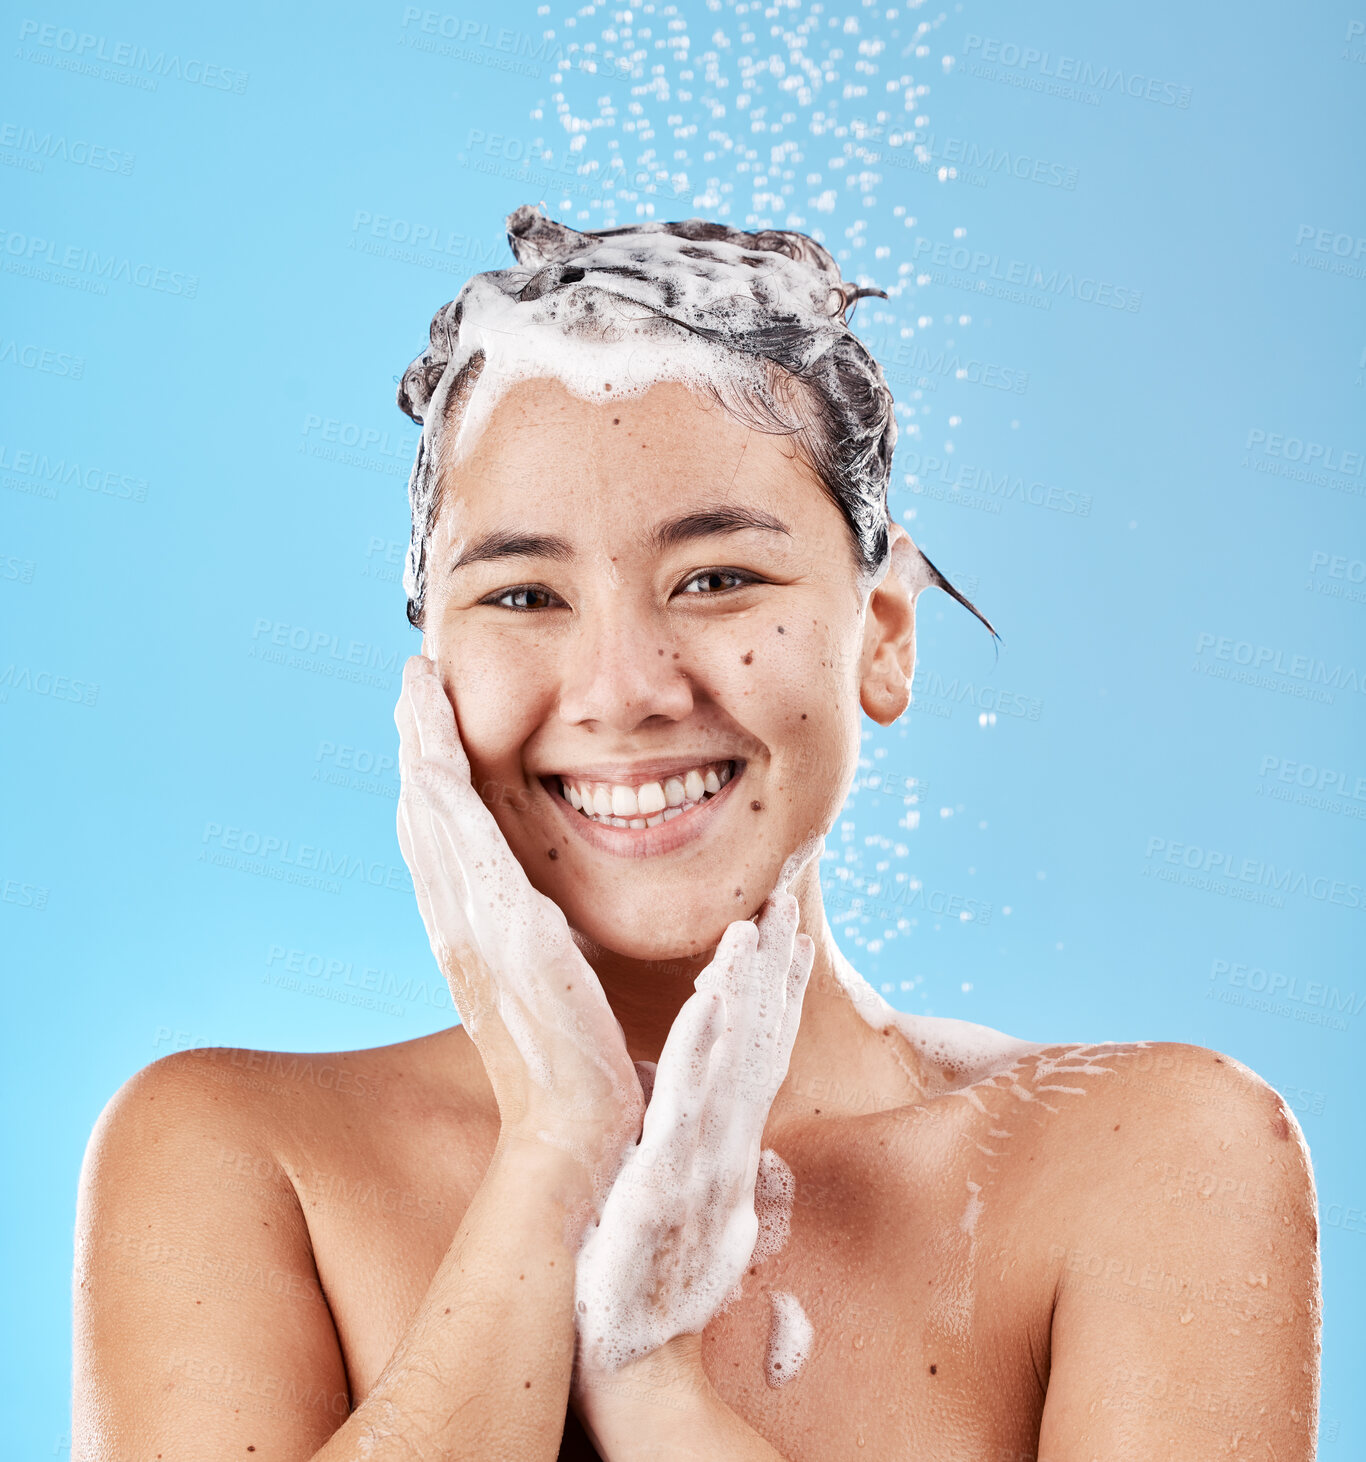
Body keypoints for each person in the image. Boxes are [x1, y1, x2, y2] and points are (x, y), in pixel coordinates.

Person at [72, 207, 1321, 1462]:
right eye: (522, 594)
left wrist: (649, 1370)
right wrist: (554, 1155)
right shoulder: (237, 1161)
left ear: (883, 632)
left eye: (717, 578)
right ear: (433, 673)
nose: (623, 690)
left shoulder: (1144, 1162)